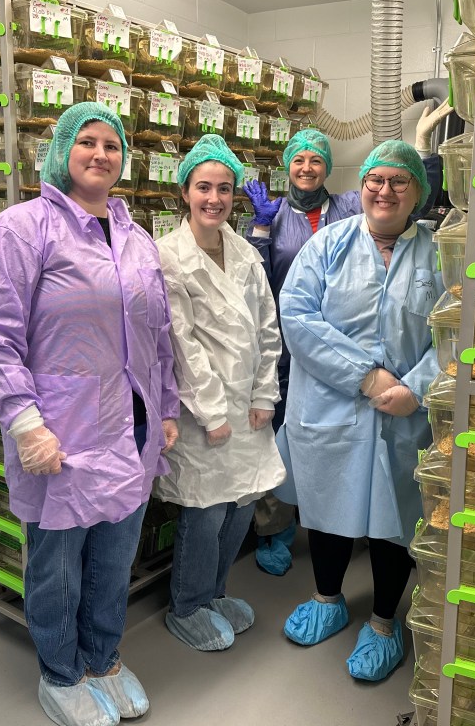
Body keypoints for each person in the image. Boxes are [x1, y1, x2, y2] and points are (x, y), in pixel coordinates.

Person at [0, 102, 180, 726]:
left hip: (129, 432)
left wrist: (164, 409)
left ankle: (104, 658)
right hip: (61, 435)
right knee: (57, 568)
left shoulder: (136, 239)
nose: (100, 154)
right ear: (61, 151)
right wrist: (26, 424)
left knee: (115, 559)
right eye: (87, 142)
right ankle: (60, 673)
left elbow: (157, 337)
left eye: (112, 145)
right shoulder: (20, 229)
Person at [273, 140, 443, 682]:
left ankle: (385, 623)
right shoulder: (327, 245)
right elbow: (297, 317)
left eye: (399, 181)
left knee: (397, 521)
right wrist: (366, 376)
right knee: (325, 508)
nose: (385, 190)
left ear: (418, 191)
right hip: (331, 408)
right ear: (362, 185)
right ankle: (328, 598)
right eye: (375, 179)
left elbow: (459, 332)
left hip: (406, 416)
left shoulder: (439, 254)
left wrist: (417, 387)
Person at [154, 134, 287, 652]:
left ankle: (215, 592)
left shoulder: (244, 252)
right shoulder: (168, 256)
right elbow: (180, 346)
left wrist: (263, 396)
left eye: (225, 189)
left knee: (242, 502)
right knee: (206, 510)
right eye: (204, 187)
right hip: (201, 410)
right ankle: (187, 605)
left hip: (247, 409)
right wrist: (212, 413)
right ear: (185, 191)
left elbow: (266, 327)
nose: (215, 198)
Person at [241, 129, 363, 576]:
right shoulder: (271, 215)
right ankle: (274, 530)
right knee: (277, 438)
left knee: (336, 435)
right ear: (287, 166)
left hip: (343, 343)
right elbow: (251, 274)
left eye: (316, 159)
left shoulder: (349, 207)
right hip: (286, 345)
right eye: (299, 160)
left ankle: (339, 522)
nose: (307, 168)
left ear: (328, 167)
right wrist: (258, 227)